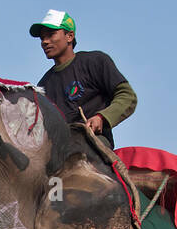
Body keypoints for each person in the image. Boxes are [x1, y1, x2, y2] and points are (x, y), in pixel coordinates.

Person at [29, 10, 137, 147]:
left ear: (69, 36)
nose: (44, 42)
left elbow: (127, 96)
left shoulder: (95, 62)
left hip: (93, 143)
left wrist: (102, 118)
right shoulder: (43, 86)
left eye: (51, 35)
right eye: (42, 38)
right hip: (58, 150)